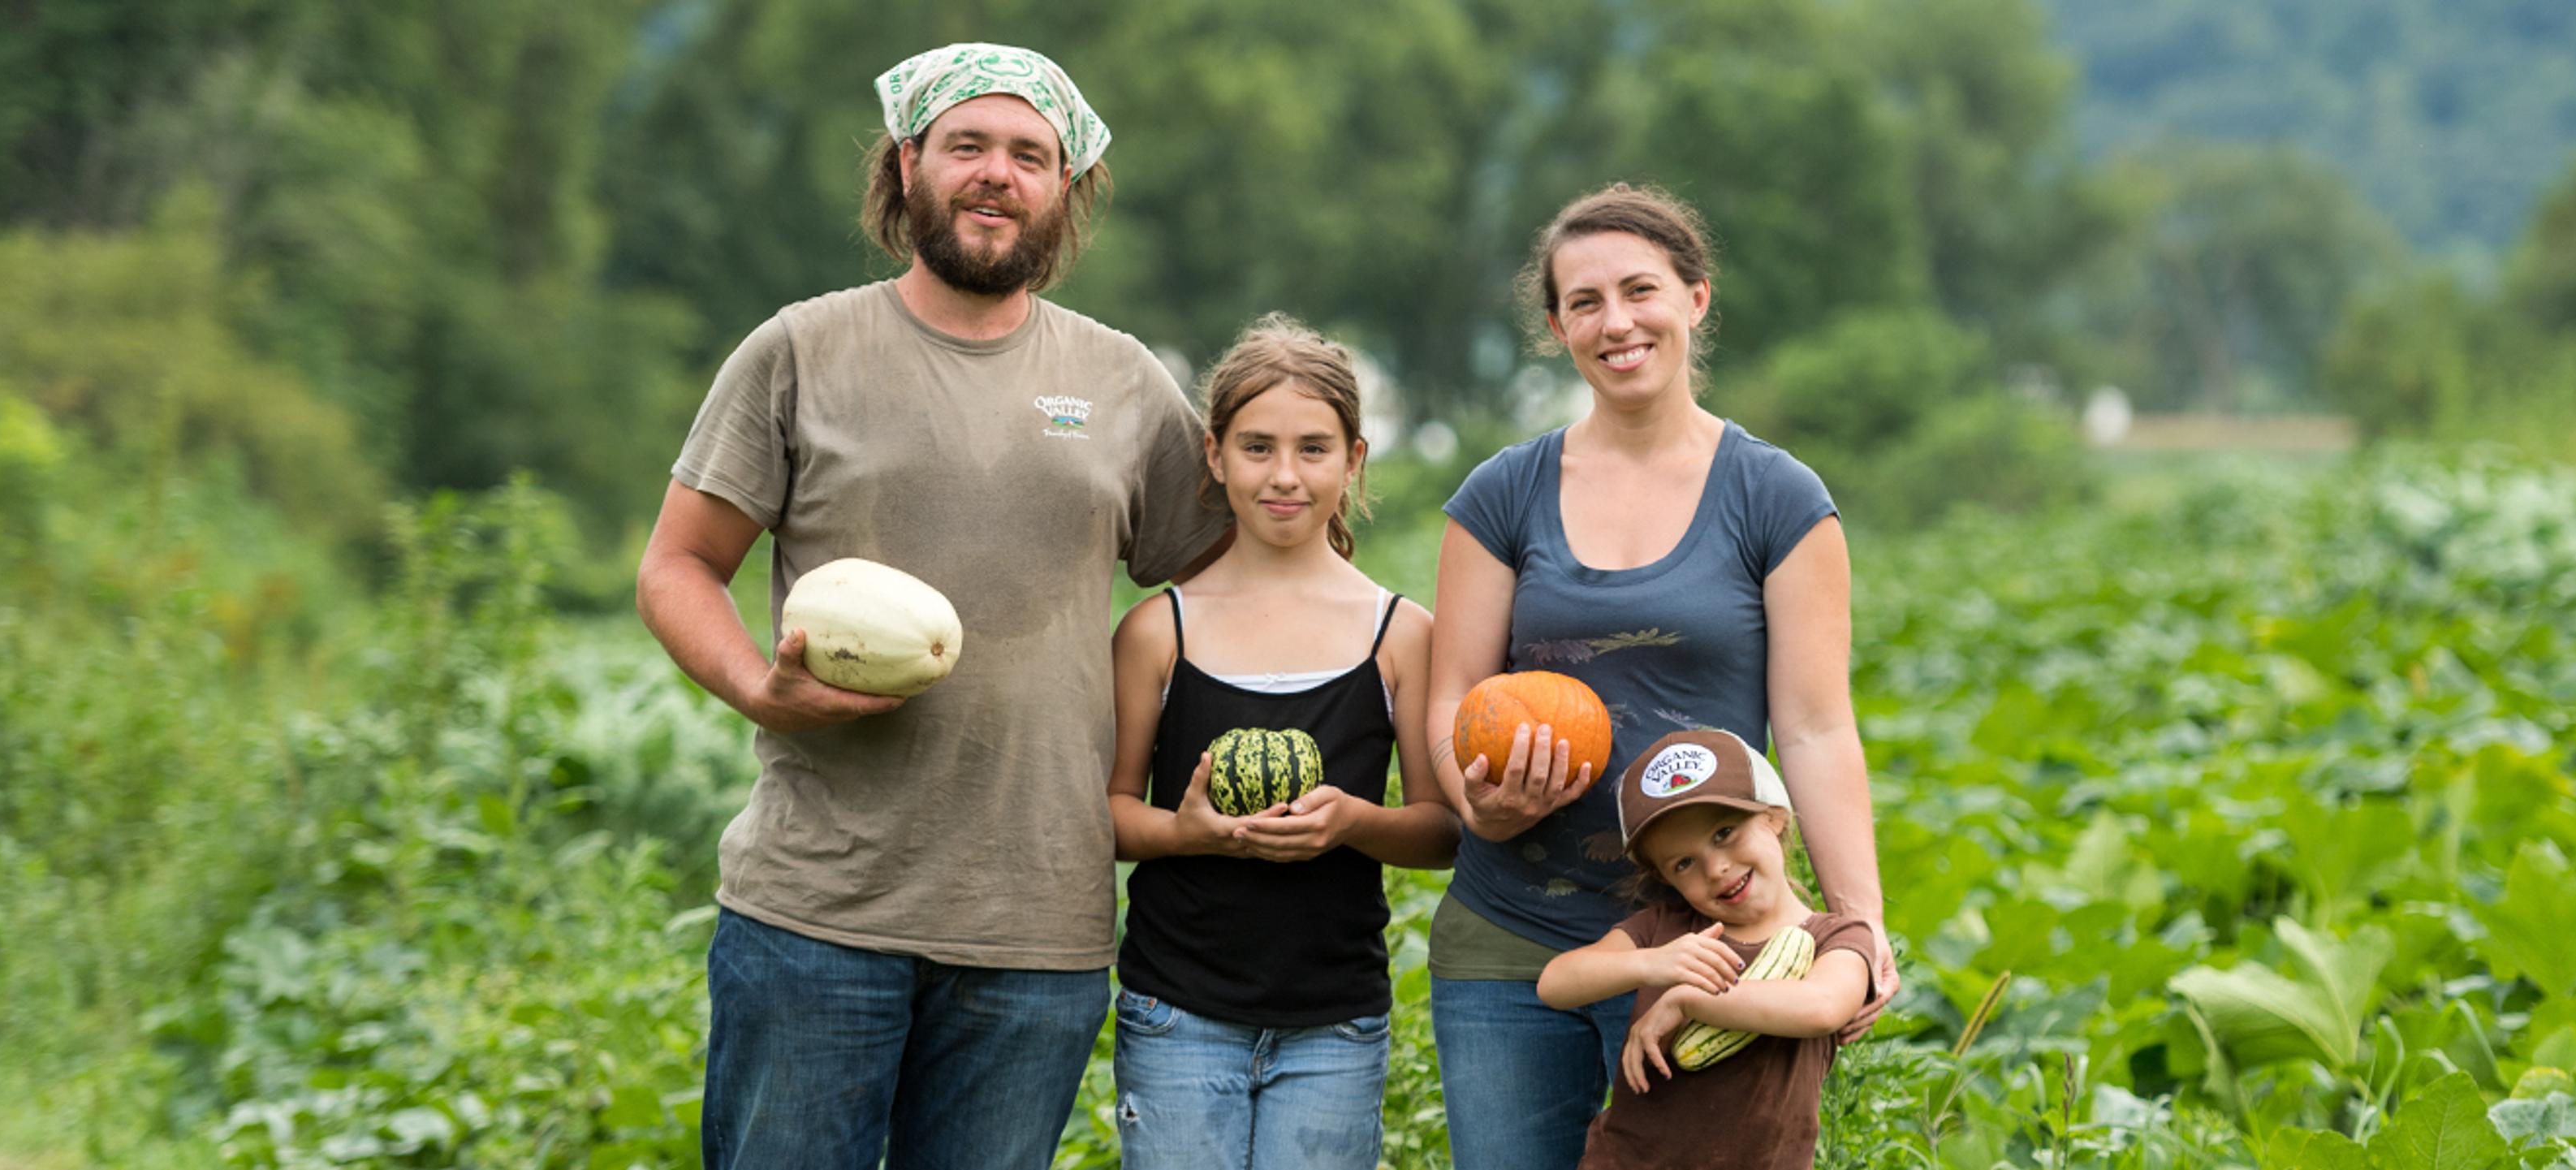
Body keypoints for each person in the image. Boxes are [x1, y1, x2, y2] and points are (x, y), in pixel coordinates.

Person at [633, 43, 1225, 1168]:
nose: (996, 174)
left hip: (1038, 928)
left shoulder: (1122, 383)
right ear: (908, 167)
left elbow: (1227, 585)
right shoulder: (801, 350)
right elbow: (677, 566)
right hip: (817, 912)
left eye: (1028, 155)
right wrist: (760, 687)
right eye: (967, 146)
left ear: (1068, 188)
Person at [1422, 182, 1896, 1168]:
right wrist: (1481, 809)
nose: (1616, 321)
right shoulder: (1501, 495)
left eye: (1641, 289)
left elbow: (1813, 726)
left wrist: (1855, 921)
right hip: (1515, 938)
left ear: (1696, 299)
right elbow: (1450, 697)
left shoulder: (1778, 498)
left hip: (1719, 939)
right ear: (1555, 328)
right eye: (1584, 302)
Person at [1103, 315, 1458, 1168]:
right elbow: (1111, 813)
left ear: (1354, 460)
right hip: (1176, 1010)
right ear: (1215, 455)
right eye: (1257, 448)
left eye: (1314, 448)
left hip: (1335, 1017)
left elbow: (1442, 829)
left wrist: (1351, 823)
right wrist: (1186, 832)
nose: (1286, 476)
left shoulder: (1400, 634)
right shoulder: (1159, 629)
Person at [1536, 729, 1879, 1170]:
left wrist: (1689, 1002)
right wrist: (1650, 963)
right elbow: (1555, 983)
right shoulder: (1667, 930)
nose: (1716, 869)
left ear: (1773, 817)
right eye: (1683, 863)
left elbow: (1822, 1008)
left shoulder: (1836, 939)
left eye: (1725, 833)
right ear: (1664, 878)